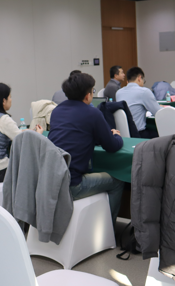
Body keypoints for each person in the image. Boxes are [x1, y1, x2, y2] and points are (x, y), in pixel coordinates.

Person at [48, 72, 125, 222]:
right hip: (73, 185)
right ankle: (109, 228)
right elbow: (112, 146)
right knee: (118, 181)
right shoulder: (92, 113)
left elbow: (75, 134)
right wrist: (117, 136)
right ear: (88, 95)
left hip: (52, 181)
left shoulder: (57, 111)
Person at [0, 83, 42, 183]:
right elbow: (24, 142)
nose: (11, 100)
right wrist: (38, 134)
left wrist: (24, 131)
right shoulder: (4, 119)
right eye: (10, 97)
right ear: (3, 101)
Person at [115, 67, 162, 139]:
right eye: (143, 81)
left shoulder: (118, 93)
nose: (143, 83)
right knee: (163, 135)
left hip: (122, 134)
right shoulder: (144, 92)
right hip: (138, 134)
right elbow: (158, 113)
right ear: (139, 78)